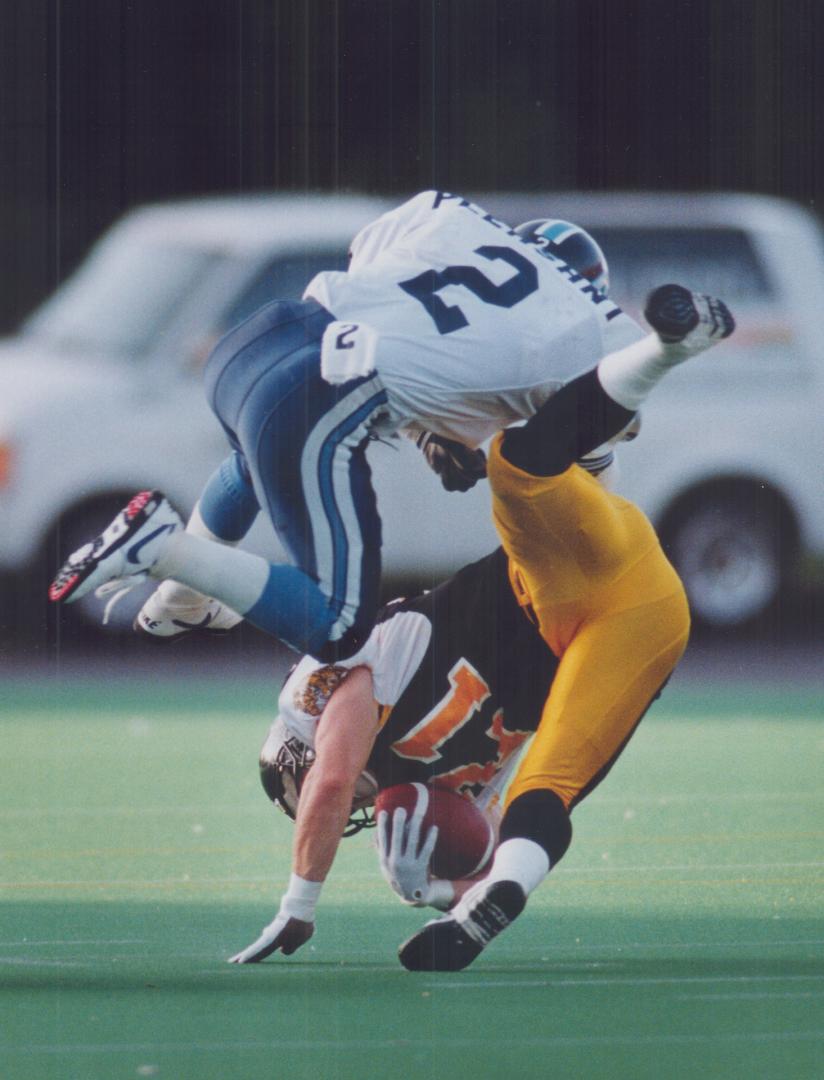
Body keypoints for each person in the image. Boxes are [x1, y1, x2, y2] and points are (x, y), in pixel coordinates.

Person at [223, 284, 735, 969]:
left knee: (515, 466)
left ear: (298, 751)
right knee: (541, 792)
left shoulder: (337, 692)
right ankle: (480, 928)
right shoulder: (432, 783)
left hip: (563, 578)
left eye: (317, 797)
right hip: (635, 626)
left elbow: (334, 774)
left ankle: (667, 350)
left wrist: (299, 902)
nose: (354, 812)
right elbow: (487, 851)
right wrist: (439, 892)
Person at [48, 193, 648, 662]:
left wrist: (424, 431)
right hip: (317, 393)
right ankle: (162, 548)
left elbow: (392, 312)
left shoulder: (451, 217)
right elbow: (590, 476)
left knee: (255, 464)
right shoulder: (588, 328)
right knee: (338, 626)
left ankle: (180, 599)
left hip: (262, 339)